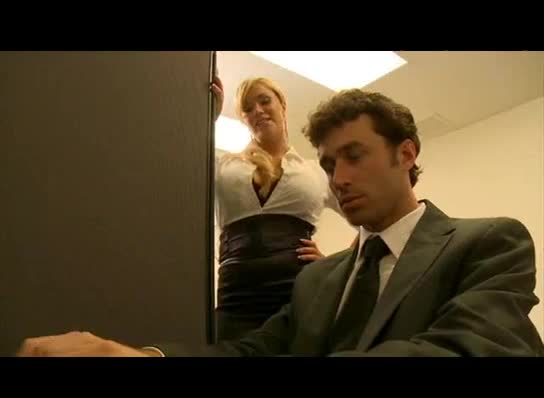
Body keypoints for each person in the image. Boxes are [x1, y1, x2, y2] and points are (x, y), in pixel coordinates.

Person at [16, 88, 543, 357]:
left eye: (354, 155)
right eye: (330, 164)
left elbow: (472, 348)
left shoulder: (490, 242)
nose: (339, 178)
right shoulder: (316, 282)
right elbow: (249, 353)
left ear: (406, 154)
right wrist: (139, 355)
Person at [210, 76, 349, 341]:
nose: (258, 111)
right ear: (244, 119)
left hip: (297, 296)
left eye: (264, 101)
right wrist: (208, 119)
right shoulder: (224, 167)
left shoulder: (315, 171)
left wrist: (336, 263)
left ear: (282, 105)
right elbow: (182, 164)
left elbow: (369, 220)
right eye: (248, 108)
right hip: (235, 300)